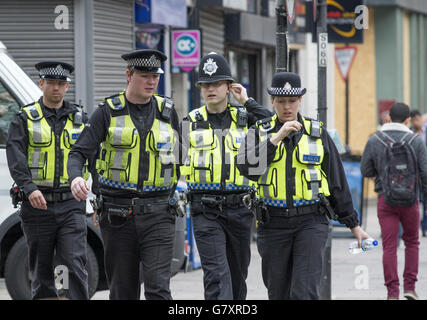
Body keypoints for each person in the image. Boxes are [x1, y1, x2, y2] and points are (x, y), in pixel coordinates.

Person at [236, 72, 370, 300]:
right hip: (272, 223)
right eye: (281, 101)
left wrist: (354, 225)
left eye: (292, 101)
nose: (287, 107)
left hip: (311, 221)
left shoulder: (318, 134)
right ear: (272, 102)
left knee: (304, 292)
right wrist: (275, 139)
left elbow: (337, 181)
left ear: (300, 100)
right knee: (278, 293)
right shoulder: (259, 131)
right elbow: (246, 167)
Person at [67, 49, 181, 300]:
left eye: (156, 76)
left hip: (160, 213)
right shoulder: (106, 112)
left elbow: (179, 160)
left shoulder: (168, 112)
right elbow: (78, 153)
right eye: (145, 75)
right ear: (129, 75)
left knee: (159, 289)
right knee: (122, 290)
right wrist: (77, 178)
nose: (152, 81)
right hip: (118, 217)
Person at [180, 52, 271, 300]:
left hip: (241, 210)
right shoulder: (190, 122)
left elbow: (273, 125)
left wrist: (247, 101)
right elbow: (175, 163)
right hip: (205, 210)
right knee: (217, 277)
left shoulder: (246, 119)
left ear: (228, 87)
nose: (210, 89)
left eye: (216, 84)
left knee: (237, 277)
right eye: (206, 85)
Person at [6, 61, 90, 300]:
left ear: (67, 86)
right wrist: (29, 188)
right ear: (41, 83)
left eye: (61, 84)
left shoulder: (81, 118)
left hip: (71, 204)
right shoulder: (25, 118)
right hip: (37, 205)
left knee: (73, 263)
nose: (56, 88)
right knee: (41, 270)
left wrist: (100, 195)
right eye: (51, 83)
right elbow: (15, 156)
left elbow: (93, 156)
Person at [361, 102, 427, 300]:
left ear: (388, 117)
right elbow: (425, 174)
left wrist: (382, 176)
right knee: (412, 242)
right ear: (408, 120)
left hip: (385, 200)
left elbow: (365, 170)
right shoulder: (416, 141)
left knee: (389, 246)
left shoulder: (375, 140)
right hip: (410, 201)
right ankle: (410, 288)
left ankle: (392, 293)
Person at [410, 110, 427, 237]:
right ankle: (414, 227)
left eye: (418, 119)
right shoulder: (408, 134)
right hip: (413, 175)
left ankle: (425, 227)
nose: (417, 122)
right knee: (414, 201)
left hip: (425, 173)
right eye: (414, 119)